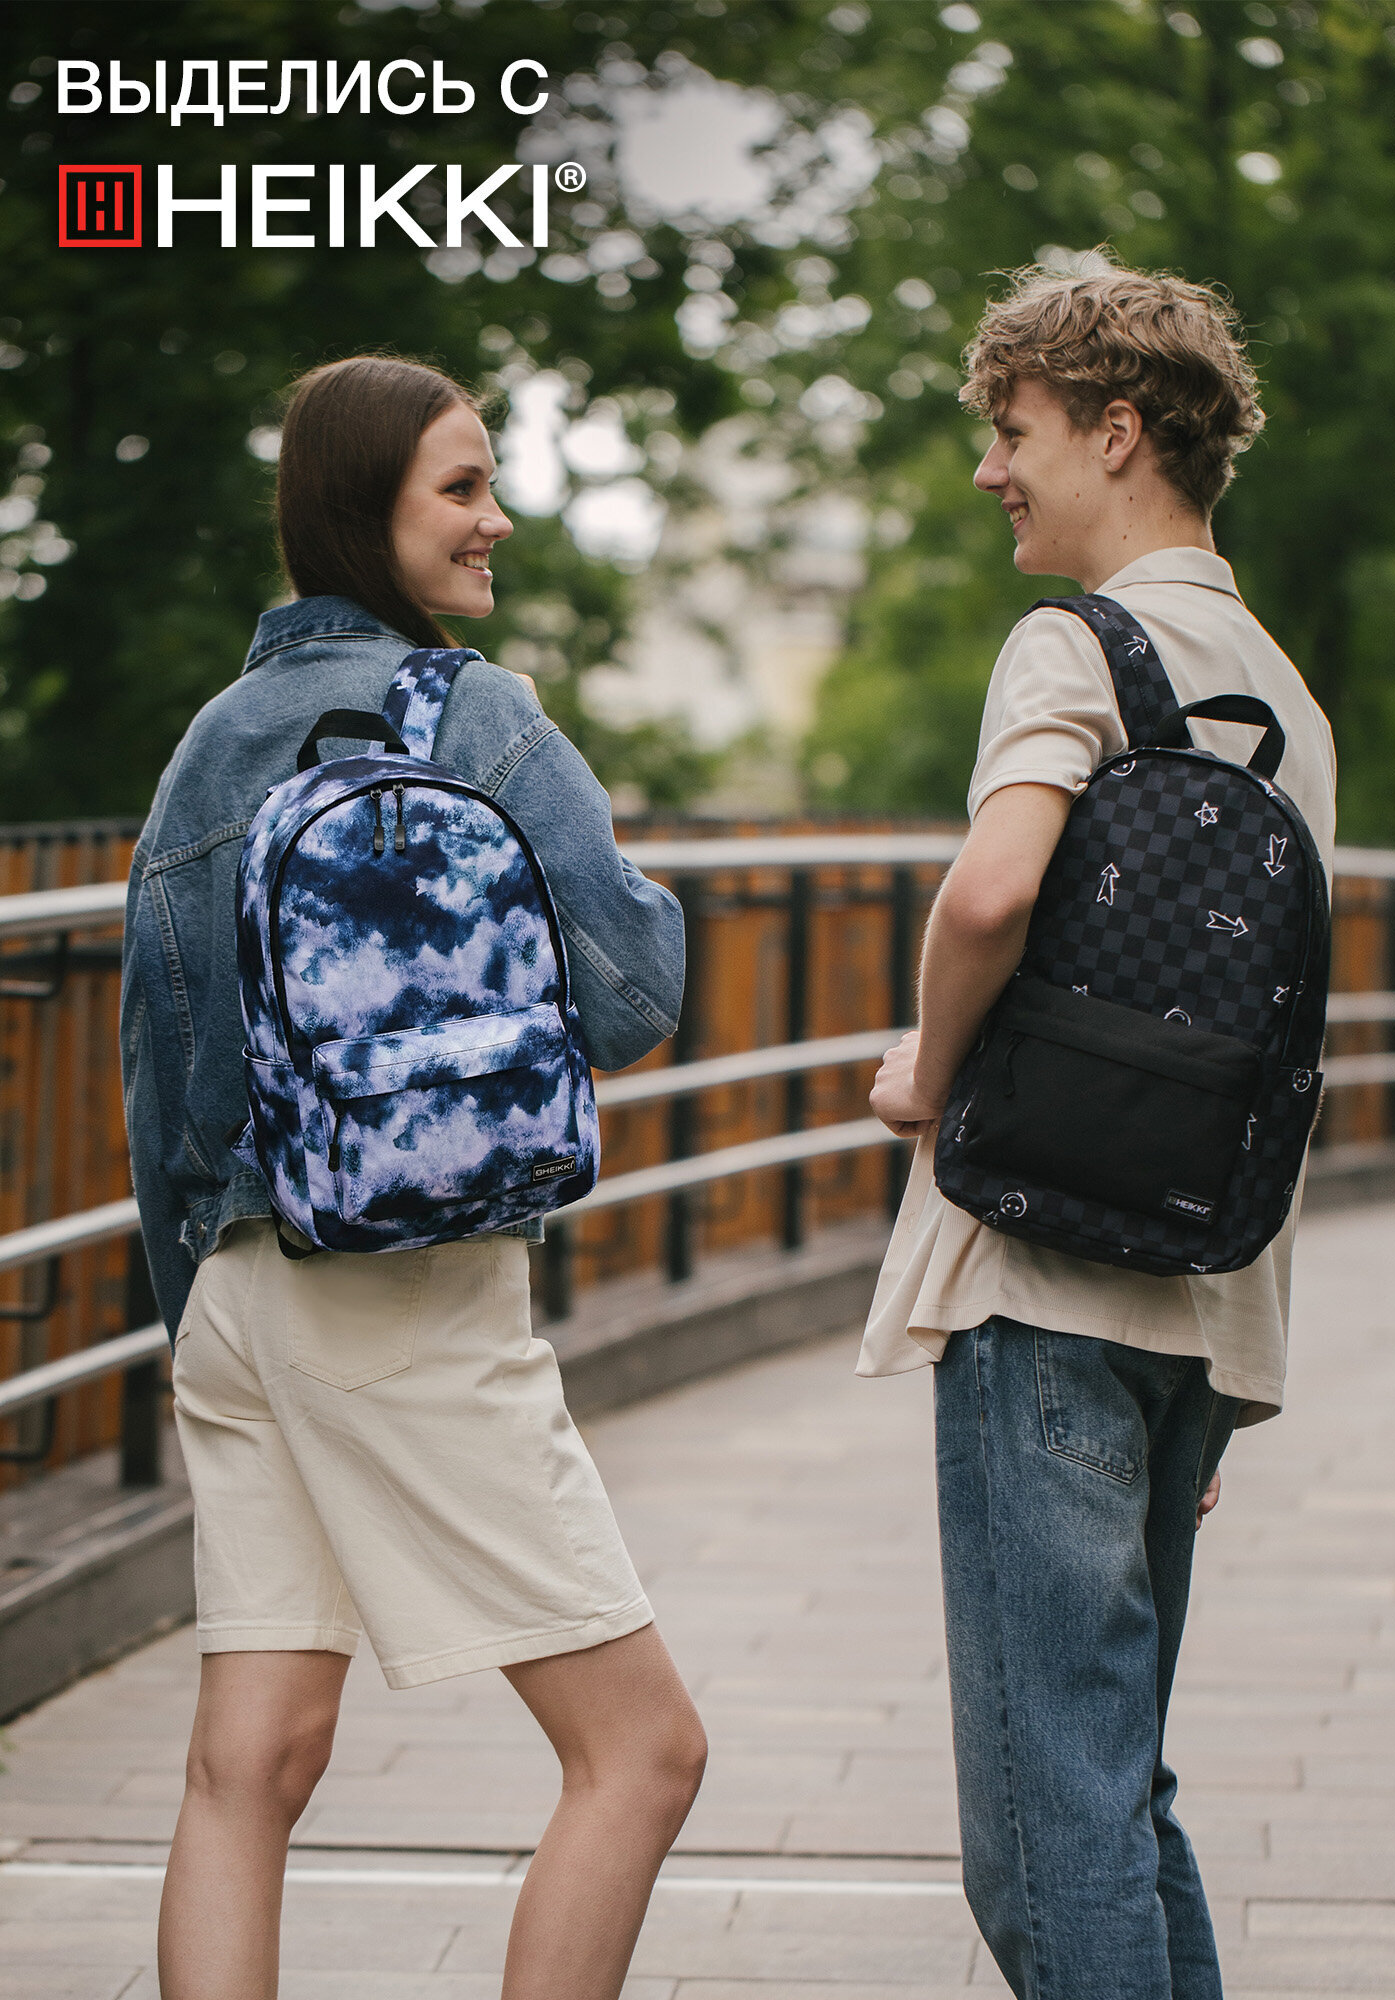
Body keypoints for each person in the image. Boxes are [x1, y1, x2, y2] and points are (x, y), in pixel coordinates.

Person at [121, 355, 707, 2000]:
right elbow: (634, 997)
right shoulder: (474, 715)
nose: (496, 519)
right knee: (645, 1755)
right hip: (400, 1297)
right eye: (460, 487)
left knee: (254, 1763)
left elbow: (157, 1062)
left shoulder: (207, 749)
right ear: (365, 508)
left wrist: (199, 1316)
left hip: (234, 1300)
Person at [863, 260, 1336, 1999]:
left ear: (1114, 431)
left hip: (1045, 1283)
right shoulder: (1276, 681)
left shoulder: (1076, 643)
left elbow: (993, 892)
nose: (993, 465)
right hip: (1202, 1294)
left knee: (1045, 1833)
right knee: (1116, 1788)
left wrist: (925, 1066)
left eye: (1016, 428)